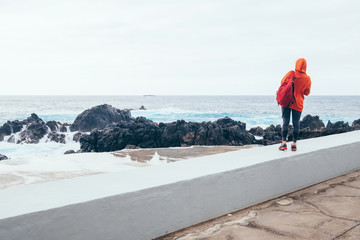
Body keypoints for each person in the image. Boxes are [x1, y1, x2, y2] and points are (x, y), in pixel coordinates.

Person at [279, 58, 311, 151]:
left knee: (285, 121)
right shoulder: (307, 78)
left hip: (287, 101)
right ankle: (294, 144)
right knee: (296, 123)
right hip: (298, 103)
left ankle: (284, 143)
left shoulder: (291, 73)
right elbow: (307, 92)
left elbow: (282, 82)